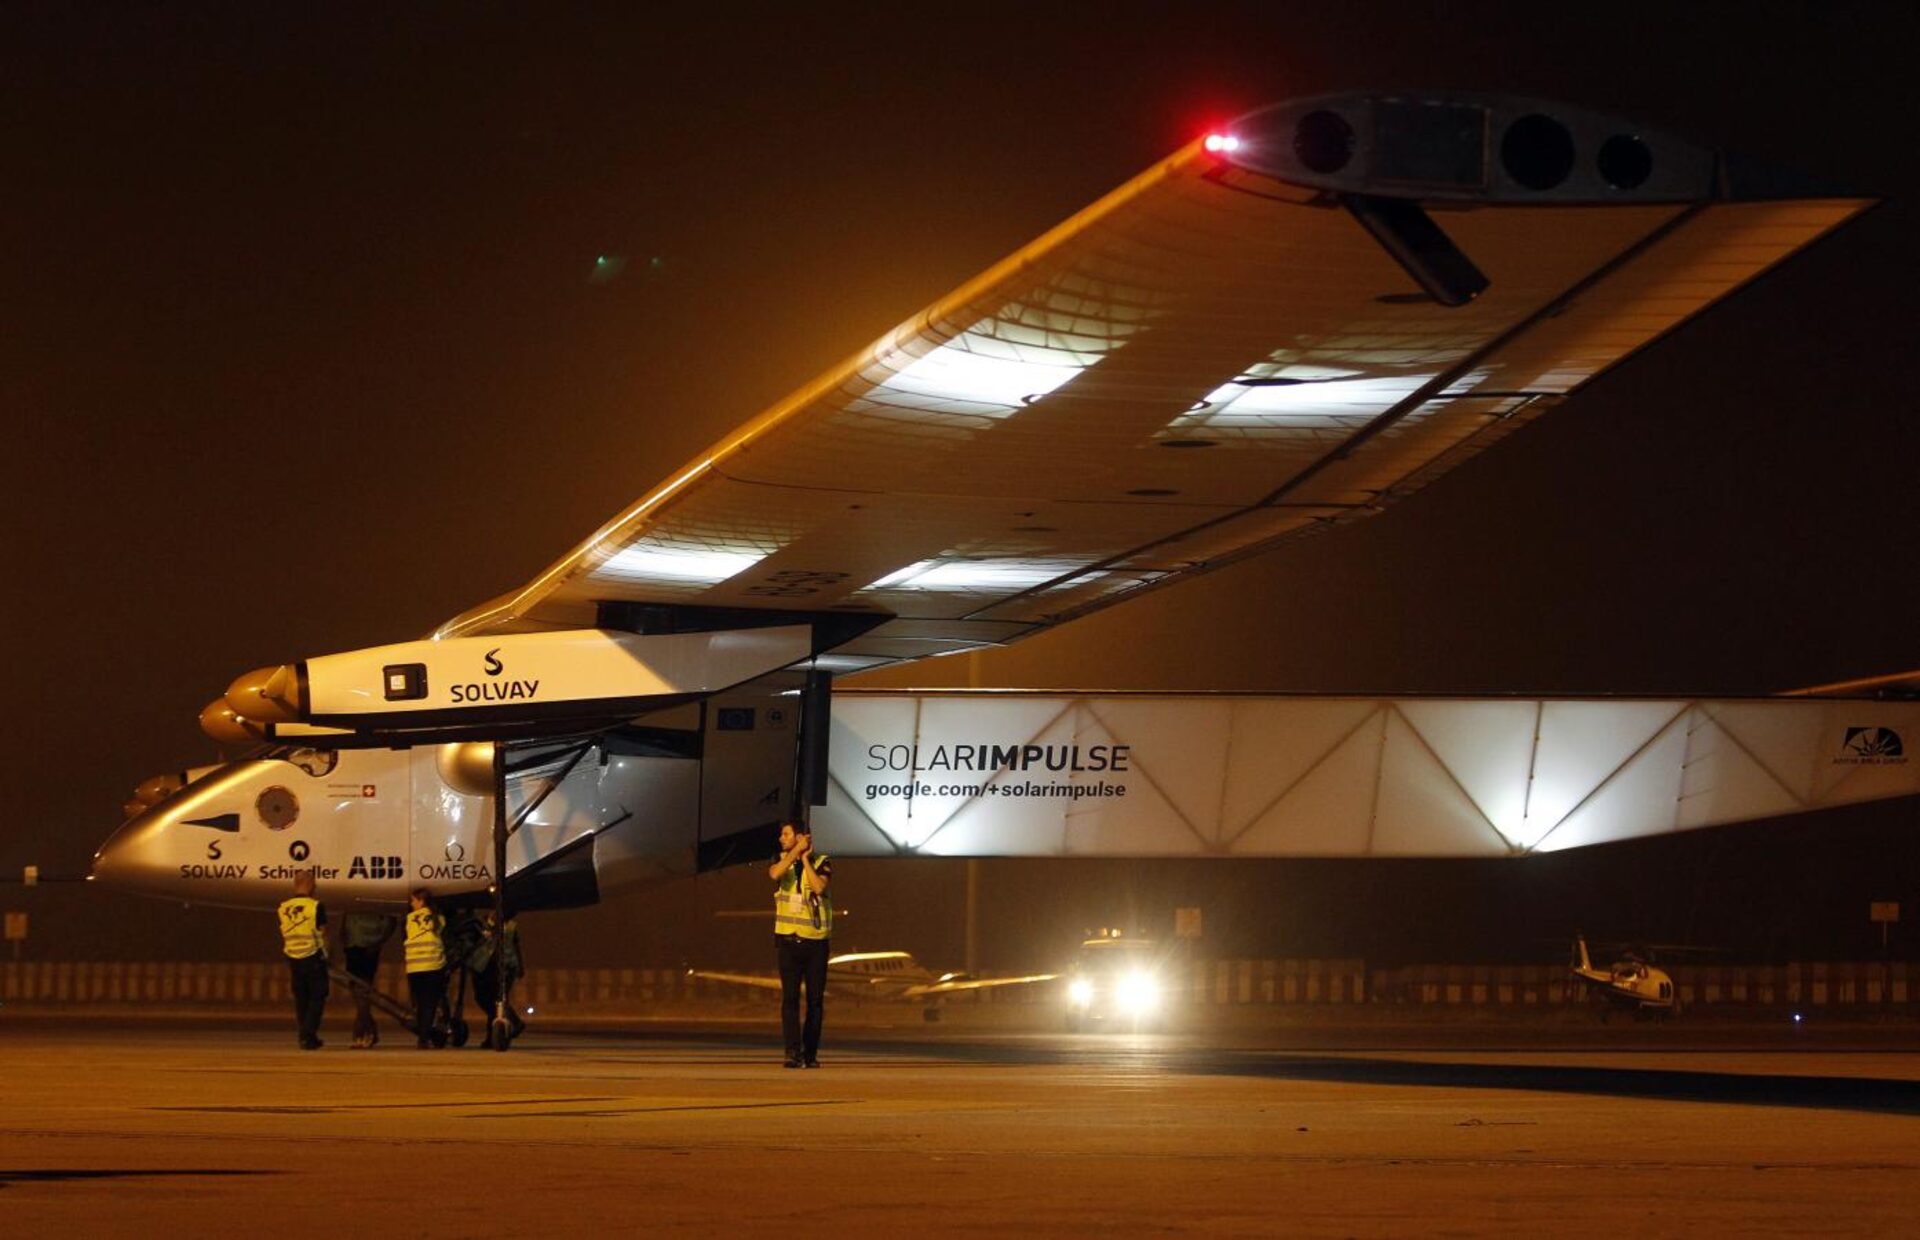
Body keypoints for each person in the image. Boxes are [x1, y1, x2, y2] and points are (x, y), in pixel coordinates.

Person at [768, 819, 832, 1068]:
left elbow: (818, 887)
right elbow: (774, 873)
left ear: (801, 836)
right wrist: (794, 853)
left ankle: (810, 1053)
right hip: (788, 940)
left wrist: (805, 859)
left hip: (815, 943)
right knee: (790, 999)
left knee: (815, 1001)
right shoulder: (781, 860)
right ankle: (792, 1052)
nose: (781, 838)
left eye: (786, 834)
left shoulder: (821, 861)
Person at [275, 869, 329, 1050]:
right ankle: (308, 1034)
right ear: (311, 884)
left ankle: (305, 1036)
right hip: (313, 956)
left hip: (292, 957)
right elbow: (322, 932)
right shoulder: (315, 906)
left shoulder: (283, 908)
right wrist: (327, 954)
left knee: (301, 998)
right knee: (318, 996)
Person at [466, 907, 526, 1048]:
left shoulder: (510, 926)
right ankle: (513, 1021)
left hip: (504, 966)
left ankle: (493, 1037)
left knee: (497, 1000)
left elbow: (516, 946)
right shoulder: (480, 924)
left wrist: (520, 966)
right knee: (484, 999)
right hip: (484, 966)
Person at [341, 911, 396, 1049]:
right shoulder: (352, 906)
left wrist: (378, 943)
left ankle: (362, 1033)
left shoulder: (375, 907)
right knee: (358, 993)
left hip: (367, 949)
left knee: (362, 993)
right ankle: (369, 1031)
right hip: (353, 949)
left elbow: (390, 923)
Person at [403, 887, 449, 1049]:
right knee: (430, 1003)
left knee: (420, 1004)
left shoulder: (409, 918)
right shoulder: (439, 919)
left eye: (413, 900)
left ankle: (423, 1035)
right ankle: (424, 1037)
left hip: (414, 967)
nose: (411, 903)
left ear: (421, 901)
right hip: (433, 965)